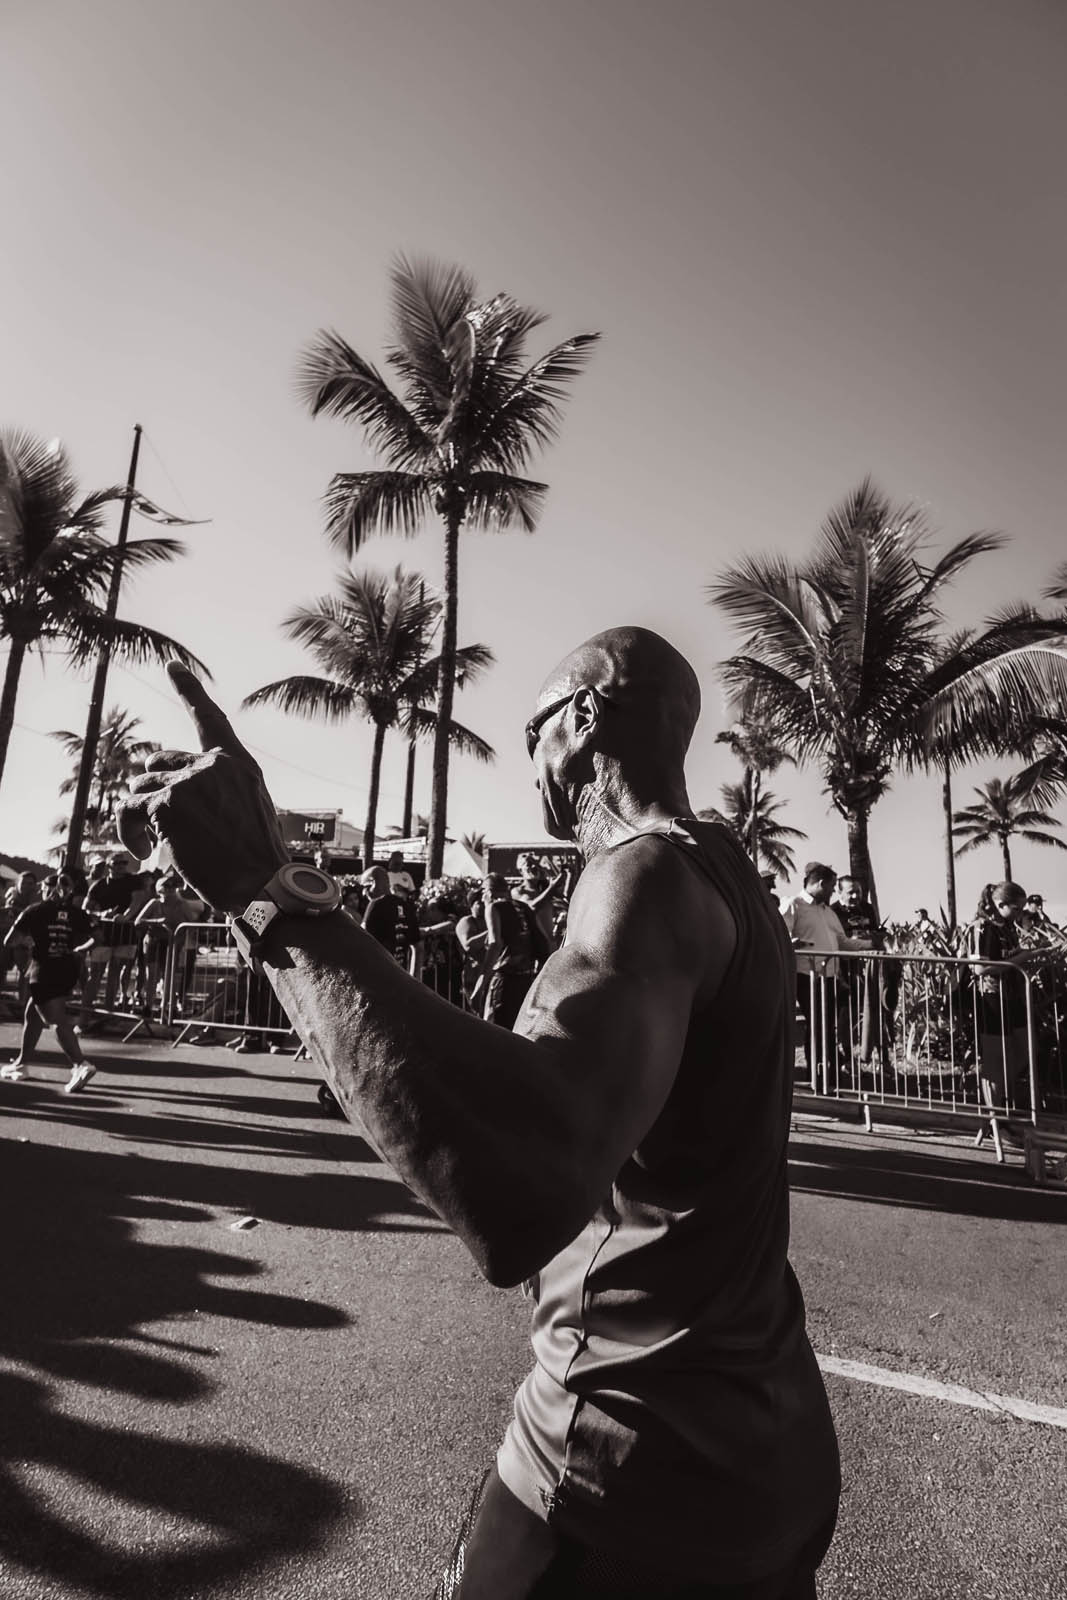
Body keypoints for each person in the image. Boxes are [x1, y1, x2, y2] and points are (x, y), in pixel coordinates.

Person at [118, 636, 841, 1599]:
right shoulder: (724, 873)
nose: (531, 760)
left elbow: (517, 1194)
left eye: (533, 731)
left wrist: (264, 888)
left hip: (626, 1459)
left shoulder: (642, 876)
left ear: (582, 717)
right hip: (765, 1445)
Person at [1, 872, 97, 1091]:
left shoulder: (34, 910)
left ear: (47, 889)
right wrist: (80, 949)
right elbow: (98, 937)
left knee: (54, 1019)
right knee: (32, 1013)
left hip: (43, 969)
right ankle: (21, 1063)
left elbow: (10, 940)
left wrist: (29, 940)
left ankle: (80, 1064)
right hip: (67, 969)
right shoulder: (77, 913)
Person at [781, 864, 871, 1078]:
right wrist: (792, 943)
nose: (833, 892)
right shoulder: (793, 905)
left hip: (830, 976)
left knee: (827, 1026)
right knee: (816, 1024)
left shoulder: (828, 912)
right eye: (831, 887)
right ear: (821, 884)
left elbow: (842, 942)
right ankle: (816, 1074)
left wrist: (870, 945)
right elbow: (778, 935)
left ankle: (829, 1074)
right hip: (806, 975)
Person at [970, 882, 1044, 1125]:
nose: (1020, 913)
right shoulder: (983, 927)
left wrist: (1031, 952)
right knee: (994, 1061)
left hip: (1012, 996)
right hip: (991, 997)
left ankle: (1002, 1102)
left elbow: (1010, 955)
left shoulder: (1008, 926)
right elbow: (980, 968)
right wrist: (1021, 958)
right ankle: (995, 1120)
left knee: (1026, 1050)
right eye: (1016, 908)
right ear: (1000, 904)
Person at [482, 874, 540, 1028]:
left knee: (496, 1030)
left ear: (489, 892)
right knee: (519, 1029)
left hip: (505, 980)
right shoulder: (524, 907)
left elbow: (495, 944)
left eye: (483, 891)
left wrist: (481, 982)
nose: (482, 897)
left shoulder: (494, 908)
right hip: (526, 979)